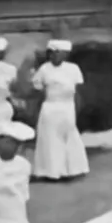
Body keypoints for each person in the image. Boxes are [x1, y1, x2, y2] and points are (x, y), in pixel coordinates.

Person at [31, 39, 89, 181]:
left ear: (65, 55)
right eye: (51, 53)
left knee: (69, 136)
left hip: (68, 106)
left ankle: (71, 170)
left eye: (57, 53)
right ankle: (50, 172)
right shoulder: (44, 69)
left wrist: (78, 110)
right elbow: (38, 91)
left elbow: (78, 92)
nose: (54, 56)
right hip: (50, 106)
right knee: (49, 138)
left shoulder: (73, 69)